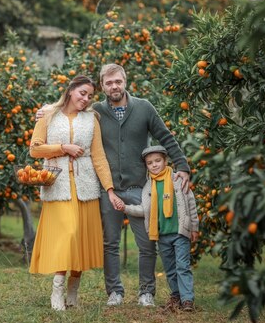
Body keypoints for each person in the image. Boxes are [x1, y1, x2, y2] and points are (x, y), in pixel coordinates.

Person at [38, 64, 190, 307]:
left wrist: (182, 166)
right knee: (110, 243)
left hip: (141, 187)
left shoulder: (143, 107)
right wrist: (45, 110)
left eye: (118, 81)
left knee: (147, 242)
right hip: (107, 190)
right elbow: (67, 108)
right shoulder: (95, 111)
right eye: (108, 83)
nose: (114, 86)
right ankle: (114, 292)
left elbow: (166, 137)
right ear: (103, 86)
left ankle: (146, 292)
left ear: (125, 81)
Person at [28, 75, 123, 311]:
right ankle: (57, 291)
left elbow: (98, 157)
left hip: (86, 187)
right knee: (68, 236)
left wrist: (109, 189)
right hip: (57, 186)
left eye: (90, 96)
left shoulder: (92, 119)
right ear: (70, 90)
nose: (86, 99)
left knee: (80, 240)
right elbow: (34, 149)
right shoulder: (48, 115)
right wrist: (63, 148)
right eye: (82, 93)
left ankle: (73, 294)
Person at [119, 145, 199, 312]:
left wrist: (194, 227)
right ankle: (176, 295)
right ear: (146, 166)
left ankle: (187, 300)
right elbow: (144, 210)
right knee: (170, 268)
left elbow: (190, 203)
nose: (154, 165)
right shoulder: (148, 187)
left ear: (165, 161)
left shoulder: (177, 179)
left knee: (182, 266)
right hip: (162, 234)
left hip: (179, 232)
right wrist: (125, 208)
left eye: (157, 161)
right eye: (150, 163)